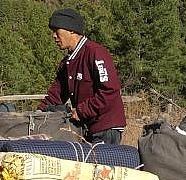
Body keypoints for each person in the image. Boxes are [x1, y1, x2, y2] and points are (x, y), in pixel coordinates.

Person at [38, 8, 127, 144]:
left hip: (105, 128)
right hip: (86, 129)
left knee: (100, 160)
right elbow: (56, 95)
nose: (54, 36)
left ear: (71, 30)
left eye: (57, 30)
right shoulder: (68, 63)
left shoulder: (96, 54)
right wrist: (38, 114)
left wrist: (81, 111)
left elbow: (109, 91)